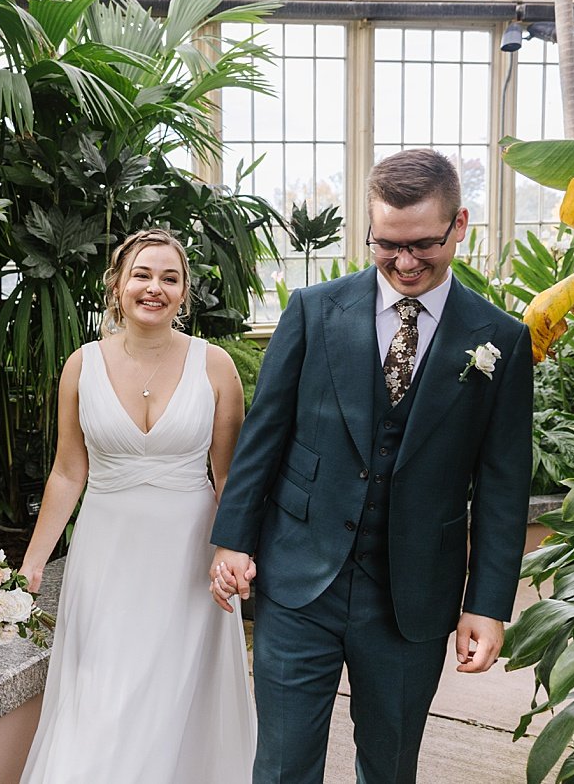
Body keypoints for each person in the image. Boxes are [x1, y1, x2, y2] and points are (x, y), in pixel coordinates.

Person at [210, 148, 533, 784]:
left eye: (423, 245)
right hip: (300, 580)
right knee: (280, 765)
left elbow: (502, 485)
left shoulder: (502, 338)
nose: (406, 263)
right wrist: (232, 541)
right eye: (387, 244)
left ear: (459, 225)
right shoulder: (313, 310)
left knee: (389, 768)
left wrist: (487, 604)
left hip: (411, 597)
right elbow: (263, 439)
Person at [18, 228, 257, 784]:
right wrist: (31, 563)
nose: (156, 288)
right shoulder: (82, 366)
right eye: (143, 275)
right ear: (118, 286)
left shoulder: (216, 366)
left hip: (190, 558)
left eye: (170, 278)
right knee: (104, 695)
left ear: (184, 293)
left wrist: (235, 553)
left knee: (180, 697)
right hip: (107, 554)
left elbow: (230, 478)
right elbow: (67, 471)